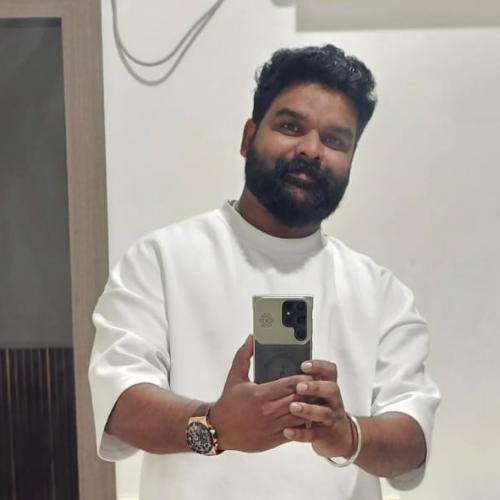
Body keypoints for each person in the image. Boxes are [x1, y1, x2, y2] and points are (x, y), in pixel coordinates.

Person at [89, 44, 440, 500]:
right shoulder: (160, 260)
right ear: (248, 136)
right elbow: (120, 405)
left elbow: (412, 441)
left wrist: (347, 433)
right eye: (291, 127)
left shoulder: (380, 293)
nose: (311, 149)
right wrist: (215, 425)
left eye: (335, 140)